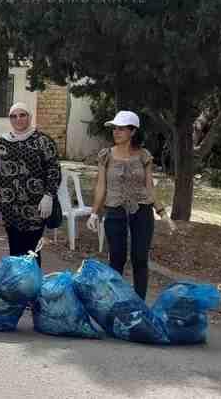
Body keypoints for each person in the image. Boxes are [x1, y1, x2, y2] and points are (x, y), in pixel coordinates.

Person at [87, 110, 165, 300]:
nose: (116, 132)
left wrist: (161, 210)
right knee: (116, 258)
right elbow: (101, 185)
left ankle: (139, 305)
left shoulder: (143, 156)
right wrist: (94, 213)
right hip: (114, 210)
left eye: (121, 129)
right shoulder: (106, 155)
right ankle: (115, 303)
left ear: (133, 131)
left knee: (139, 259)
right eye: (115, 128)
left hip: (142, 210)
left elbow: (149, 186)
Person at [0, 102, 62, 266]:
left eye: (22, 115)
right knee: (15, 250)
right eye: (13, 116)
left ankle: (32, 288)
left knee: (32, 252)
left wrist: (49, 195)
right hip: (9, 207)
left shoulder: (43, 141)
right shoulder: (2, 142)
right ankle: (18, 288)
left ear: (29, 117)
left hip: (35, 207)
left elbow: (54, 170)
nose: (18, 119)